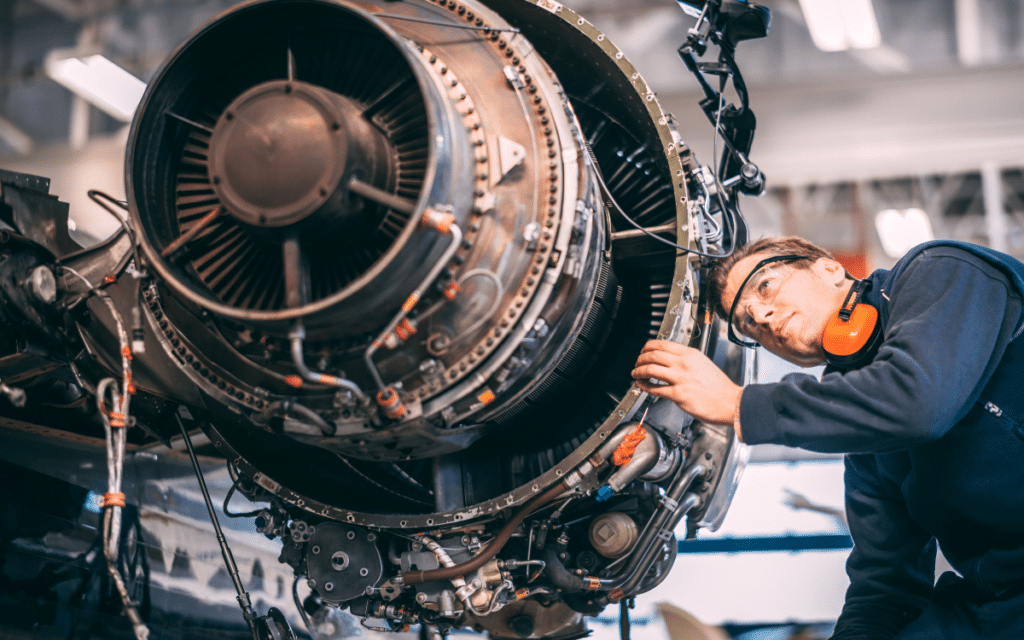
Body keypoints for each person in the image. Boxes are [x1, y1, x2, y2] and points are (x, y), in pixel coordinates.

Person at [631, 236, 1024, 640]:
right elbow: (886, 584)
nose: (761, 316)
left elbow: (917, 404)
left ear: (829, 268)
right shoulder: (860, 429)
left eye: (765, 286)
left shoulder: (943, 270)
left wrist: (738, 404)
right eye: (747, 323)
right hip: (995, 602)